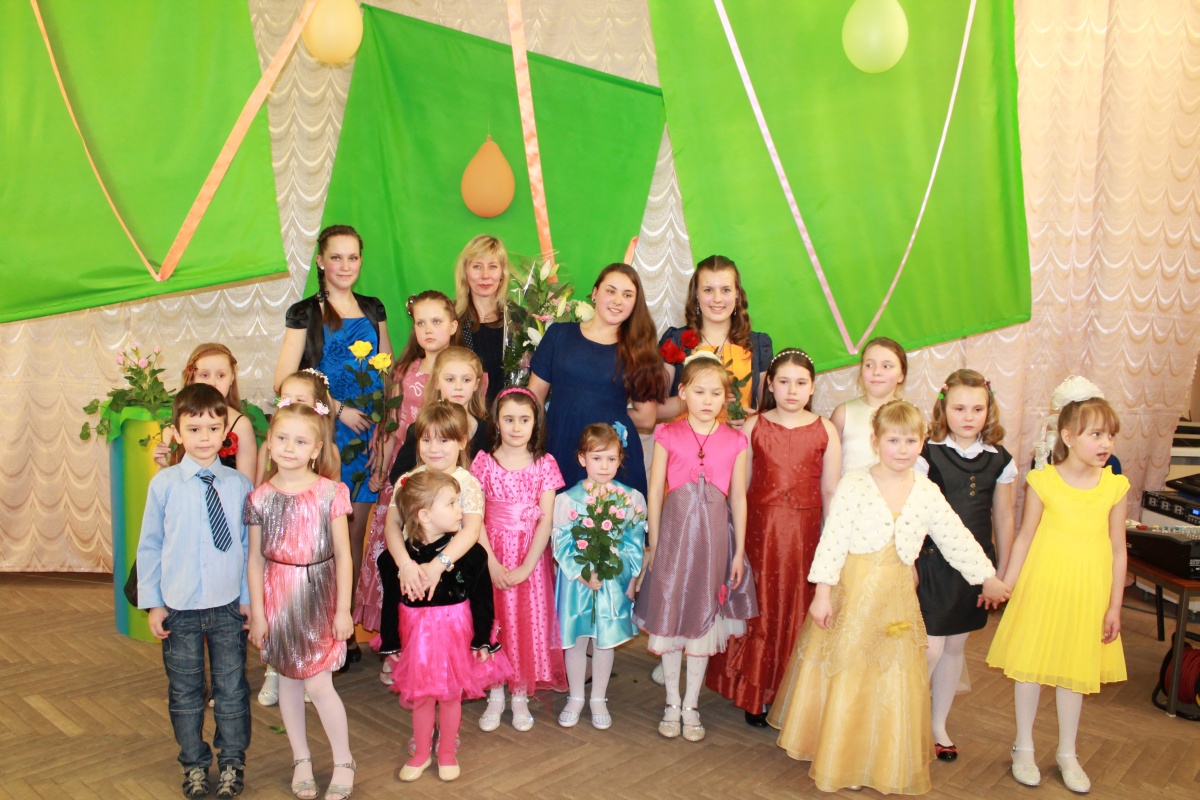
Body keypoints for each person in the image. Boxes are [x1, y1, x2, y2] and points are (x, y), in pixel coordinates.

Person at [769, 399, 1009, 795]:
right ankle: (843, 755)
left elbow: (955, 537)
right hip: (854, 591)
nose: (902, 449)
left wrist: (987, 577)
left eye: (911, 441)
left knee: (890, 671)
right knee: (851, 668)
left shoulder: (926, 491)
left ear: (922, 443)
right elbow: (834, 539)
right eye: (893, 440)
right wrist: (822, 593)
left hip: (897, 597)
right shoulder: (855, 483)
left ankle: (879, 754)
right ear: (875, 441)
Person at [986, 377, 1128, 793]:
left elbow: (1118, 550)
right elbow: (1025, 537)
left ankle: (1067, 752)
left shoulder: (1114, 486)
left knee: (1074, 672)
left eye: (1110, 435)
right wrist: (1006, 585)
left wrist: (1114, 606)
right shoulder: (1043, 480)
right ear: (1068, 436)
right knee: (1030, 667)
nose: (1105, 443)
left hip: (1089, 592)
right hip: (1043, 586)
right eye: (1095, 434)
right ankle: (1024, 747)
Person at [275, 224, 391, 667]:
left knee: (353, 535)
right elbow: (284, 380)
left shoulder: (373, 308)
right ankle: (315, 627)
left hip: (367, 437)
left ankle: (344, 630)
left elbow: (386, 372)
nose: (345, 266)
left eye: (353, 257)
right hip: (325, 436)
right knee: (320, 534)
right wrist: (338, 409)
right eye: (336, 257)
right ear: (321, 262)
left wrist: (385, 424)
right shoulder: (305, 313)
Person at [707, 348, 841, 727]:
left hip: (805, 537)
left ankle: (791, 693)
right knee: (762, 606)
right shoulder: (754, 427)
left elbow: (831, 491)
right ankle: (755, 694)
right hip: (761, 534)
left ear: (812, 387)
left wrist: (832, 547)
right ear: (770, 384)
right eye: (783, 382)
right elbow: (740, 488)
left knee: (796, 607)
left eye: (800, 383)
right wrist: (735, 541)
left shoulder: (826, 430)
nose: (792, 390)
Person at [633, 352, 758, 742]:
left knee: (703, 624)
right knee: (671, 621)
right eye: (700, 391)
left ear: (726, 397)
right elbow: (655, 491)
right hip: (672, 540)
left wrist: (737, 553)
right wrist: (654, 542)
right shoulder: (667, 434)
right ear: (683, 392)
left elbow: (738, 498)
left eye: (716, 393)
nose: (708, 400)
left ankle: (691, 706)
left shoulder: (736, 440)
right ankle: (671, 703)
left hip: (712, 544)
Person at [137, 384, 253, 800]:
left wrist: (248, 599)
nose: (204, 438)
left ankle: (232, 762)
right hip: (179, 607)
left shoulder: (239, 484)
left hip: (227, 606)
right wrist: (154, 604)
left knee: (231, 688)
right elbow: (150, 546)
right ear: (177, 432)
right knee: (185, 692)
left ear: (226, 433)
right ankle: (194, 764)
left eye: (213, 428)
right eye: (194, 428)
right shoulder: (164, 484)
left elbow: (246, 547)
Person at [245, 403, 356, 800]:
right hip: (279, 596)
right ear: (269, 443)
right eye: (281, 438)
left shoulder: (331, 493)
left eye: (300, 441)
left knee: (319, 683)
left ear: (316, 449)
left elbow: (343, 555)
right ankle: (301, 759)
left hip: (319, 595)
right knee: (289, 681)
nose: (289, 448)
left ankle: (343, 760)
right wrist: (258, 613)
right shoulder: (259, 498)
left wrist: (343, 609)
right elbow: (255, 559)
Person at [368, 347, 489, 684]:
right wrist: (406, 564)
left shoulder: (468, 482)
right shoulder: (409, 480)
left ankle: (479, 641)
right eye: (426, 440)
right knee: (387, 563)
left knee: (478, 562)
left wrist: (439, 565)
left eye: (444, 441)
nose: (434, 449)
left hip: (450, 556)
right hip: (416, 554)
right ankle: (394, 645)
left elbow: (471, 530)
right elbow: (393, 525)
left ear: (461, 442)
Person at [915, 369, 1016, 761]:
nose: (968, 416)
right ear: (943, 408)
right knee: (930, 648)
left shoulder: (999, 459)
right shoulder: (927, 453)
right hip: (933, 565)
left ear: (989, 409)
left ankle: (938, 724)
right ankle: (907, 720)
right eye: (959, 408)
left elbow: (1003, 516)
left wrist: (1001, 572)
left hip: (977, 569)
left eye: (977, 408)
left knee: (955, 646)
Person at [389, 471, 511, 783]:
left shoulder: (470, 554)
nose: (460, 510)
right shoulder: (403, 558)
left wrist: (482, 639)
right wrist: (391, 643)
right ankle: (420, 753)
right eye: (452, 504)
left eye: (459, 502)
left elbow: (483, 599)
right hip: (418, 640)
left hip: (455, 636)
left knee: (450, 695)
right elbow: (390, 602)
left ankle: (446, 751)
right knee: (422, 696)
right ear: (425, 515)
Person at [357, 292, 460, 637]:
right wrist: (381, 470)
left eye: (436, 322)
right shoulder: (403, 372)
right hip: (404, 475)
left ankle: (436, 630)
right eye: (420, 323)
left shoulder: (460, 371)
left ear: (453, 326)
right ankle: (396, 635)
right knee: (398, 545)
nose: (428, 329)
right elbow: (392, 428)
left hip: (444, 477)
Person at [471, 387, 566, 730]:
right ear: (496, 422)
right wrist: (491, 562)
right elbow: (474, 518)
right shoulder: (483, 462)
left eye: (524, 420)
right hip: (491, 553)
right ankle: (496, 693)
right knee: (494, 621)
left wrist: (527, 566)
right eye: (508, 419)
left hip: (530, 559)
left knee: (525, 624)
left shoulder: (545, 464)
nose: (516, 427)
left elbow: (546, 520)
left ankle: (521, 694)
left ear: (535, 423)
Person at [528, 263, 664, 496]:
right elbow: (534, 398)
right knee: (554, 516)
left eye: (627, 295)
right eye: (611, 291)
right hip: (559, 446)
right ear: (594, 293)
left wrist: (601, 415)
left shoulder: (639, 351)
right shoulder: (559, 335)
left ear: (635, 303)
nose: (618, 301)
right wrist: (533, 445)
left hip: (608, 459)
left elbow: (647, 418)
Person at [551, 423, 646, 730]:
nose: (604, 466)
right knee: (577, 641)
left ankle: (598, 699)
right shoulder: (568, 500)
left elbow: (634, 543)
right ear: (582, 459)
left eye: (611, 459)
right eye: (596, 458)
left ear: (620, 460)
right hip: (577, 584)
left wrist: (630, 580)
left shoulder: (630, 499)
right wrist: (582, 575)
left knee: (605, 642)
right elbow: (561, 543)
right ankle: (576, 696)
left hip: (612, 584)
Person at [254, 369, 339, 708]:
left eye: (299, 399)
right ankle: (274, 671)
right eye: (284, 399)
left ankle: (311, 671)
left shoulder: (326, 463)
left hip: (314, 571)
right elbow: (260, 494)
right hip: (278, 570)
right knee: (280, 625)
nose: (289, 404)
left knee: (311, 630)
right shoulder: (269, 453)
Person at [657, 255, 773, 424]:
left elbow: (769, 412)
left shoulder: (758, 345)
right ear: (696, 294)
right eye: (708, 290)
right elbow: (655, 409)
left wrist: (751, 422)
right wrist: (701, 398)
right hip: (687, 439)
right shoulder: (675, 341)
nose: (717, 299)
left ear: (737, 294)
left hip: (741, 440)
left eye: (726, 290)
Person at [154, 343, 257, 484]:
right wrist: (163, 465)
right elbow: (163, 486)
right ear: (191, 377)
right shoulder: (173, 428)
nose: (212, 382)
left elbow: (246, 485)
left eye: (221, 375)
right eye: (204, 375)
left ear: (232, 378)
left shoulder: (241, 425)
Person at [830, 336, 906, 475]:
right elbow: (829, 468)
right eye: (869, 365)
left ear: (901, 375)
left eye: (886, 366)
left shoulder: (909, 415)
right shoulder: (843, 413)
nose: (876, 372)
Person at [453, 234, 512, 405]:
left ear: (502, 273)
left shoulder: (519, 320)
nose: (485, 275)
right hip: (461, 415)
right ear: (465, 272)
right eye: (477, 266)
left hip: (508, 416)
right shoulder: (449, 317)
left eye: (492, 266)